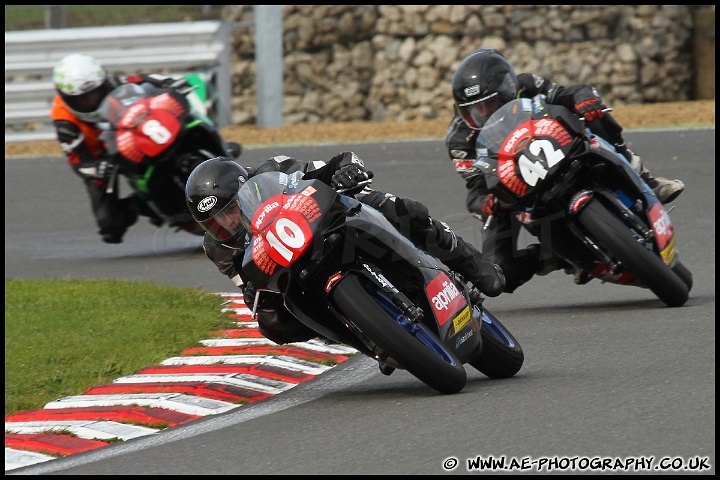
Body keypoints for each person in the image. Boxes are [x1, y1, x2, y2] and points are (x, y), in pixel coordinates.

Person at [185, 152, 506, 346]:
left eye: (229, 211)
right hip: (291, 268)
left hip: (327, 223)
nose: (226, 224)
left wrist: (347, 170)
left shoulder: (272, 171)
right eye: (215, 223)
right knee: (272, 324)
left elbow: (330, 167)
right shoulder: (217, 248)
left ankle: (469, 262)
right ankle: (363, 335)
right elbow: (246, 285)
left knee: (404, 210)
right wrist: (253, 293)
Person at [446, 48, 686, 293]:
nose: (486, 113)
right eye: (476, 110)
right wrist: (486, 202)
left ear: (510, 89)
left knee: (595, 114)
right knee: (499, 273)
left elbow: (567, 94)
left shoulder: (527, 83)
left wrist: (584, 99)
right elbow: (475, 188)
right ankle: (555, 255)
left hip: (555, 147)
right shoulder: (459, 141)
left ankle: (643, 175)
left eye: (492, 103)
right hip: (515, 189)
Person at [50, 53, 242, 244]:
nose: (93, 101)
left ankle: (218, 148)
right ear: (68, 99)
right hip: (102, 156)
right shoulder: (65, 122)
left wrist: (169, 84)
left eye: (97, 92)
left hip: (132, 136)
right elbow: (79, 163)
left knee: (187, 118)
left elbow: (142, 80)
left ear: (103, 82)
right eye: (85, 99)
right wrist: (98, 168)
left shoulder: (113, 84)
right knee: (110, 225)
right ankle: (140, 204)